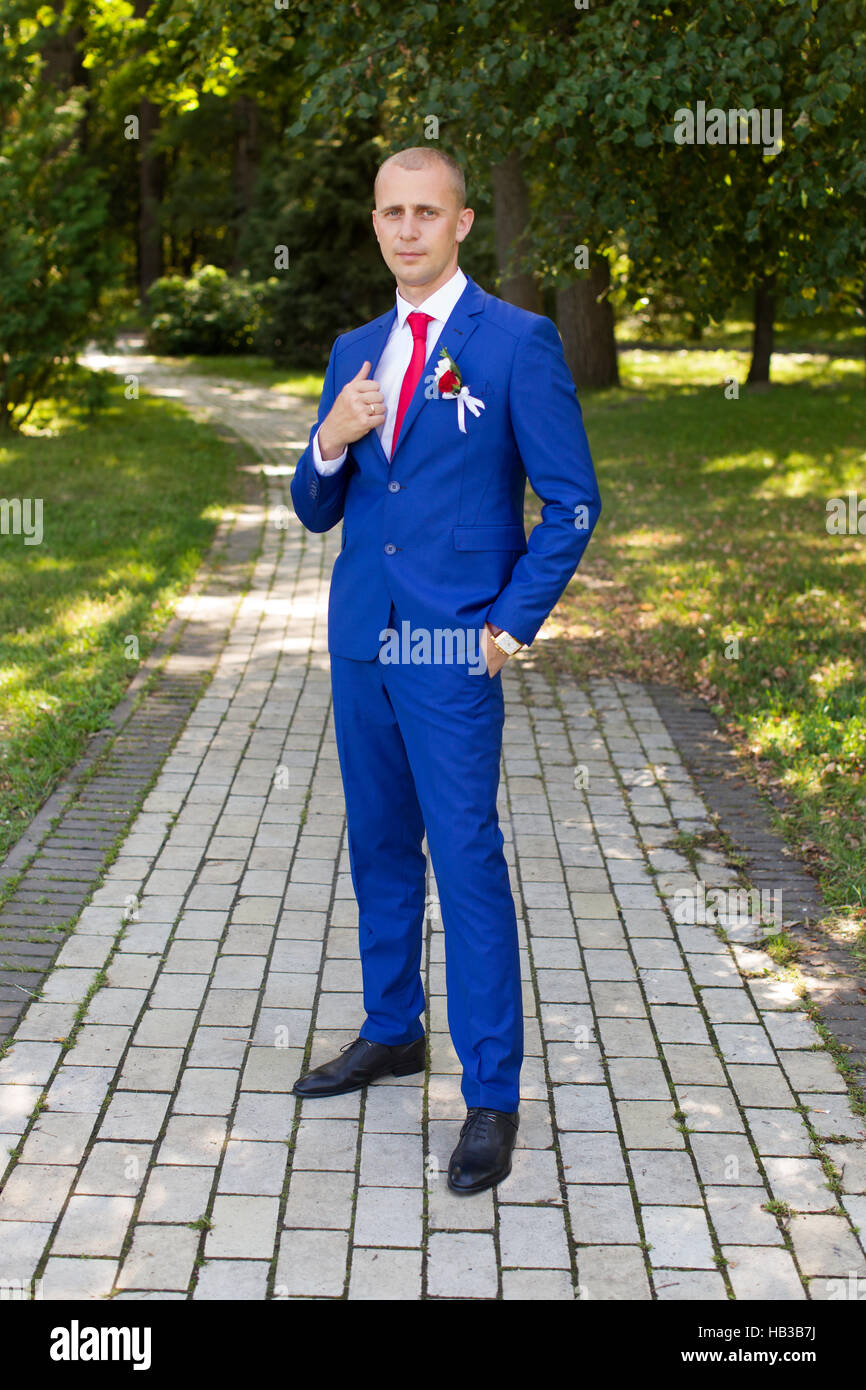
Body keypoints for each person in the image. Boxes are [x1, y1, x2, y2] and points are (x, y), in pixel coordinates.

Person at [289, 146, 601, 1194]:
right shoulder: (354, 349)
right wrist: (328, 438)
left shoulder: (516, 343)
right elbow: (312, 505)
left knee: (464, 858)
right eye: (391, 212)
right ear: (374, 223)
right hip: (360, 639)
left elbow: (570, 505)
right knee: (378, 843)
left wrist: (508, 628)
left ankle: (491, 1094)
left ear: (463, 223)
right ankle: (392, 1030)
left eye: (428, 211)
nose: (407, 229)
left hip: (452, 647)